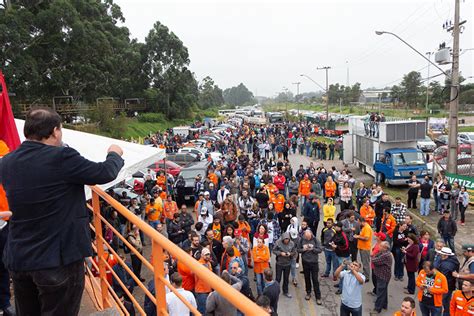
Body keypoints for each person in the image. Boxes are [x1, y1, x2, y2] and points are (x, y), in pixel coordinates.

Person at [0, 107, 124, 315]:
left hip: (20, 258)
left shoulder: (7, 162)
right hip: (57, 260)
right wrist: (114, 154)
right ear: (55, 131)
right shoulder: (62, 157)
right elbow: (104, 172)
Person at [297, 230, 323, 304]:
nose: (307, 239)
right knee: (307, 278)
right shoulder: (302, 239)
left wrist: (313, 249)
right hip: (305, 262)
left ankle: (318, 297)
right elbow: (298, 249)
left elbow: (320, 249)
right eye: (306, 237)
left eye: (309, 237)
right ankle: (308, 293)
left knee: (315, 279)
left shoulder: (315, 240)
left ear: (311, 235)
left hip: (314, 262)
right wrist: (303, 249)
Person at [436, 247, 460, 316]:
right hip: (451, 285)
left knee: (440, 303)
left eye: (441, 255)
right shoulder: (454, 260)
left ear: (446, 255)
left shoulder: (446, 265)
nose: (440, 256)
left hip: (445, 286)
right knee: (447, 303)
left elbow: (441, 277)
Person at [273, 232, 296, 298]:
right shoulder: (278, 242)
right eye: (285, 239)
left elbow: (294, 252)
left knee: (286, 279)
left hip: (288, 263)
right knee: (278, 279)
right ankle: (276, 292)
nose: (286, 241)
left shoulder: (292, 243)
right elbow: (274, 250)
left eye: (288, 239)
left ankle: (285, 291)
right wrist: (280, 253)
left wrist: (290, 254)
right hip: (279, 263)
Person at [372, 241, 393, 313]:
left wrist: (374, 255)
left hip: (383, 276)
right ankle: (384, 305)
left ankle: (377, 308)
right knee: (384, 291)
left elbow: (374, 260)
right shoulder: (383, 253)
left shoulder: (385, 255)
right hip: (382, 275)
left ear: (385, 248)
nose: (378, 247)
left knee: (380, 291)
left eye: (380, 246)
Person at [195, 247, 213, 314]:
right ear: (202, 255)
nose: (208, 256)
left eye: (208, 254)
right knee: (202, 311)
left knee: (207, 310)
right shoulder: (199, 264)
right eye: (206, 255)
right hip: (201, 291)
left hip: (208, 290)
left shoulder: (208, 263)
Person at [354, 217, 372, 282]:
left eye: (358, 222)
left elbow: (366, 238)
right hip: (362, 247)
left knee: (365, 263)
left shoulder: (367, 228)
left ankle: (367, 277)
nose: (358, 224)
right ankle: (365, 273)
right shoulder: (364, 227)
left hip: (365, 248)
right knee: (364, 261)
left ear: (361, 221)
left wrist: (358, 237)